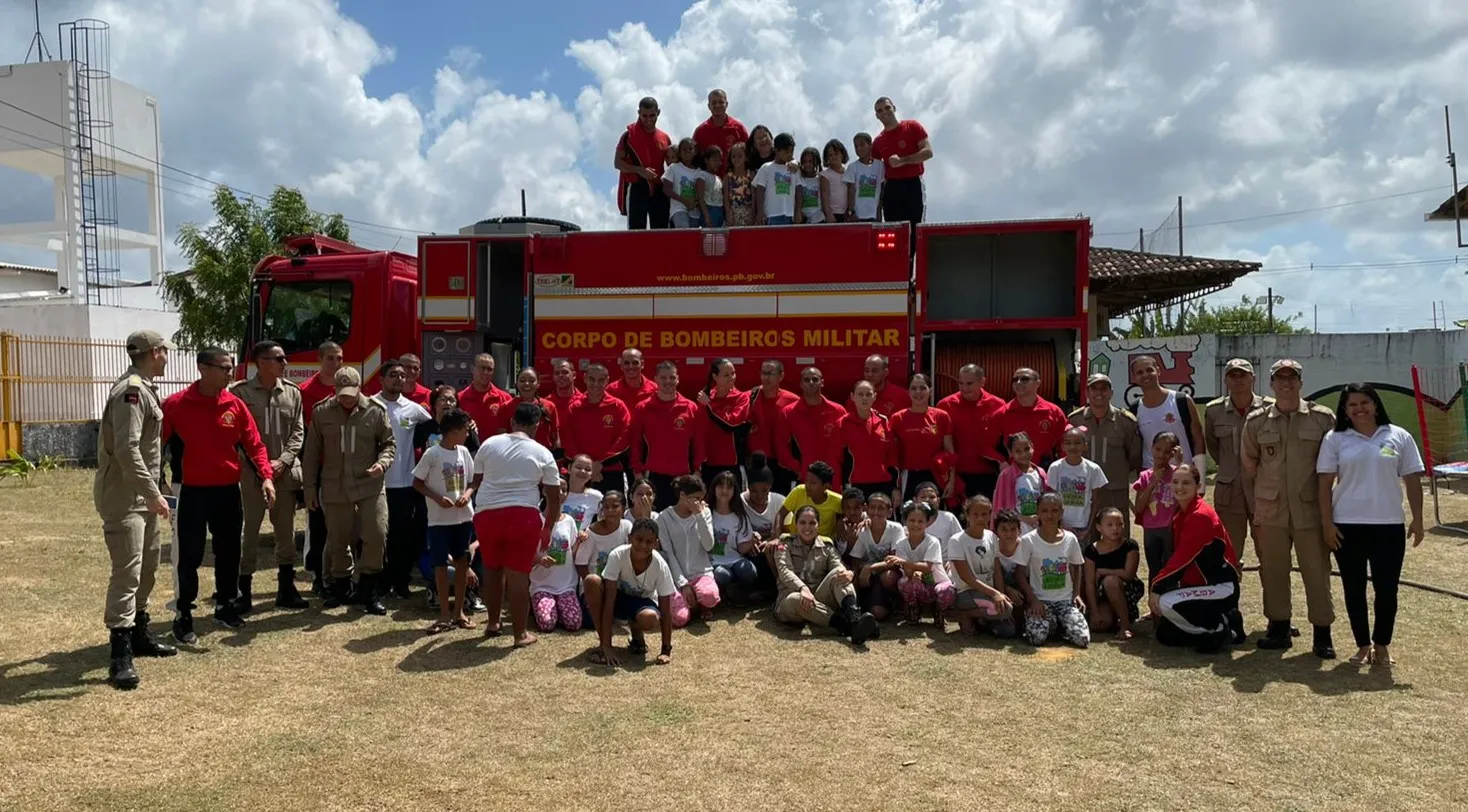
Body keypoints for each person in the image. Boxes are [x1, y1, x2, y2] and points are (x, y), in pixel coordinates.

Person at [162, 346, 275, 640]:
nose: (230, 373)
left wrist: (266, 477)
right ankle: (183, 613)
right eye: (224, 368)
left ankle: (225, 604)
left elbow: (255, 446)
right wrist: (157, 480)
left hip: (227, 491)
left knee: (228, 551)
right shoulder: (175, 405)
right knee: (189, 554)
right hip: (190, 492)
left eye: (231, 367)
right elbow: (153, 447)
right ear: (202, 368)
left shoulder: (235, 406)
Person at [1317, 383, 1426, 666]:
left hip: (1388, 525)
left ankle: (1382, 644)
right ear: (1345, 410)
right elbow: (1324, 483)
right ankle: (1363, 645)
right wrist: (1327, 524)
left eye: (1365, 402)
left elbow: (1412, 479)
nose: (1359, 409)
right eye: (1352, 405)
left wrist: (1418, 518)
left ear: (1375, 405)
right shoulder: (1335, 439)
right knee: (1354, 589)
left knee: (1386, 589)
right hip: (1346, 525)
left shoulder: (1398, 436)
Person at [96, 329, 177, 689]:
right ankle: (120, 654)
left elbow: (146, 451)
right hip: (126, 497)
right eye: (164, 351)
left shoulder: (143, 388)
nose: (166, 357)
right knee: (127, 573)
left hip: (143, 495)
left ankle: (140, 634)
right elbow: (127, 450)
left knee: (148, 566)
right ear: (154, 352)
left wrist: (156, 489)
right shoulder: (131, 392)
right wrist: (152, 493)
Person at [1242, 359, 1338, 657]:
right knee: (1273, 570)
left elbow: (1333, 461)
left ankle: (1322, 634)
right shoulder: (1257, 421)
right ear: (1271, 384)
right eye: (1280, 378)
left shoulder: (1322, 419)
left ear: (1300, 382)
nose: (1286, 383)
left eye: (1292, 378)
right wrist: (1271, 487)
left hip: (1310, 508)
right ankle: (1279, 627)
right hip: (1271, 510)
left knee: (1316, 571)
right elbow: (1250, 461)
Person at [302, 366, 395, 614]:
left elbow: (388, 444)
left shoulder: (376, 411)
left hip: (369, 484)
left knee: (376, 535)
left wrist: (382, 463)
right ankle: (341, 589)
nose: (345, 398)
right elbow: (311, 454)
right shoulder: (321, 412)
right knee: (338, 539)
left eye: (350, 393)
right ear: (334, 390)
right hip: (335, 485)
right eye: (341, 393)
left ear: (359, 389)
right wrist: (309, 489)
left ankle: (368, 590)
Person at [470, 402, 563, 647]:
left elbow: (477, 479)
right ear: (536, 425)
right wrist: (548, 527)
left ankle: (492, 623)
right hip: (523, 514)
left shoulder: (489, 444)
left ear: (512, 421)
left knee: (491, 569)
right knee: (518, 574)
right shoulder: (542, 452)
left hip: (487, 513)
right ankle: (520, 634)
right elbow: (554, 497)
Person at [229, 340, 308, 611]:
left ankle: (286, 590)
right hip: (251, 475)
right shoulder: (239, 393)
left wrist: (283, 462)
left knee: (285, 532)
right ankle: (244, 591)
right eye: (279, 359)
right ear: (261, 362)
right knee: (249, 531)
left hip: (283, 474)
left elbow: (298, 432)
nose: (285, 363)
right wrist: (261, 468)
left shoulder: (293, 393)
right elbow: (237, 436)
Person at [1150, 464, 1245, 652]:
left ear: (1198, 485)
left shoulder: (1200, 515)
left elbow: (1182, 559)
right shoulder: (1183, 512)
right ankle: (1227, 619)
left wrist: (1157, 586)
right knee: (1166, 634)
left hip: (1220, 587)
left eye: (1186, 482)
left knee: (1165, 602)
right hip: (1199, 586)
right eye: (1175, 482)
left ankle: (1219, 630)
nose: (1180, 487)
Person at [773, 505, 880, 644]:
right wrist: (802, 588)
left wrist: (848, 573)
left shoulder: (826, 544)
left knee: (839, 573)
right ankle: (848, 627)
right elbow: (784, 571)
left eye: (812, 523)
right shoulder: (785, 543)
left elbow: (837, 564)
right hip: (791, 601)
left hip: (818, 598)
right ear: (796, 524)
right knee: (797, 599)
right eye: (802, 522)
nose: (807, 527)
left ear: (818, 525)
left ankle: (854, 617)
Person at [412, 408, 477, 635]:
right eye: (465, 431)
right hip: (439, 520)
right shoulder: (432, 454)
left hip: (463, 517)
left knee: (462, 562)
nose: (468, 434)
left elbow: (473, 480)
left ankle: (459, 611)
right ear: (454, 431)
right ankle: (443, 614)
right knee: (440, 565)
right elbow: (417, 482)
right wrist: (438, 499)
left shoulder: (464, 452)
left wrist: (467, 495)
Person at [377, 359, 433, 600]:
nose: (399, 379)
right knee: (377, 535)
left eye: (402, 375)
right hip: (377, 483)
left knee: (401, 536)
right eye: (393, 375)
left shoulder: (413, 409)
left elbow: (437, 426)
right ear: (382, 379)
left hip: (404, 484)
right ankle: (379, 582)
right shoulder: (371, 405)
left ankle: (401, 582)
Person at [587, 518, 676, 666]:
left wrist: (666, 650)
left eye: (649, 542)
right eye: (639, 539)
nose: (643, 545)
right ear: (630, 538)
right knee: (592, 581)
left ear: (656, 543)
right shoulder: (617, 555)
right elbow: (609, 602)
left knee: (650, 617)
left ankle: (636, 631)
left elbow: (666, 611)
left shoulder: (660, 566)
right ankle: (603, 645)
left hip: (642, 604)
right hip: (617, 599)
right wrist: (608, 646)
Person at [1204, 359, 1268, 561]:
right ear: (1226, 380)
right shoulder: (1214, 411)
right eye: (1233, 375)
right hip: (1229, 490)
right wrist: (1229, 468)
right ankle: (1230, 592)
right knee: (1228, 550)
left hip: (1263, 488)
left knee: (1268, 550)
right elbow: (1213, 445)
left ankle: (1273, 593)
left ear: (1253, 378)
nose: (1238, 379)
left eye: (1243, 375)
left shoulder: (1269, 409)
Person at [1067, 373, 1142, 539]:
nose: (1099, 393)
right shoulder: (1075, 420)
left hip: (1114, 489)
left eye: (1104, 388)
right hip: (1083, 489)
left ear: (1111, 392)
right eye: (1094, 388)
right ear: (1087, 392)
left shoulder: (1126, 421)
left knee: (1117, 535)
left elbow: (1134, 456)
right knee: (1085, 536)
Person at [1014, 493, 1090, 648]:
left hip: (1065, 601)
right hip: (1040, 601)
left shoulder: (1070, 538)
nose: (1049, 515)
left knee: (1082, 640)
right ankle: (1050, 623)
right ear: (1038, 512)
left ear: (1061, 512)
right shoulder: (1028, 540)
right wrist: (1033, 600)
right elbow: (1019, 573)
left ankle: (1059, 623)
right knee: (1036, 638)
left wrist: (1076, 594)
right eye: (1045, 510)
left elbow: (1077, 566)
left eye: (1054, 510)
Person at [299, 341, 344, 594]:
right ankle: (317, 574)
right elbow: (306, 436)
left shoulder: (349, 389)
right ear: (319, 359)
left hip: (345, 468)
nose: (336, 364)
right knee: (318, 524)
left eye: (339, 359)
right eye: (330, 358)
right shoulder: (306, 391)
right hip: (320, 468)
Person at [630, 361, 699, 509]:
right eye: (663, 378)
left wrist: (697, 472)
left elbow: (698, 444)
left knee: (683, 523)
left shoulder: (690, 408)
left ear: (678, 379)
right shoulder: (643, 408)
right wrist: (638, 474)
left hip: (683, 477)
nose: (668, 381)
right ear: (655, 379)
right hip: (654, 477)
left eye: (672, 377)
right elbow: (636, 443)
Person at [947, 495, 1016, 637]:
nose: (980, 518)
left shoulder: (991, 536)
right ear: (967, 515)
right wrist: (995, 594)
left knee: (1009, 632)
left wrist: (1001, 594)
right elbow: (968, 578)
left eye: (984, 514)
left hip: (987, 592)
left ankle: (982, 620)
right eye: (975, 514)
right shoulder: (957, 541)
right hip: (966, 593)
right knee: (1007, 609)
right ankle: (965, 614)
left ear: (990, 515)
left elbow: (996, 569)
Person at [1131, 355, 1207, 485]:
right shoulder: (1134, 409)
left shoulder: (1182, 401)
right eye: (1139, 372)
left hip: (1183, 475)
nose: (1145, 375)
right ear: (1134, 378)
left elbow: (1198, 440)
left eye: (1149, 370)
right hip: (1153, 477)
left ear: (1158, 371)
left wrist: (1201, 481)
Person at [939, 363, 1007, 501]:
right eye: (961, 383)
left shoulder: (998, 405)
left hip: (988, 475)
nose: (964, 388)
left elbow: (1006, 440)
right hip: (957, 475)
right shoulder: (945, 405)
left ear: (982, 382)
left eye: (969, 384)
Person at [656, 475, 719, 623]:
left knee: (710, 596)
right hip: (675, 577)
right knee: (680, 619)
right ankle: (689, 602)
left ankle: (702, 603)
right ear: (682, 495)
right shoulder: (664, 518)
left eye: (701, 498)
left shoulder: (705, 513)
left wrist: (699, 516)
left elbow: (709, 545)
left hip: (701, 573)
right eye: (696, 498)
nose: (700, 502)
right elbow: (669, 553)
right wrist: (683, 584)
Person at [562, 363, 632, 495]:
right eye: (592, 379)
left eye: (601, 380)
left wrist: (600, 464)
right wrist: (587, 467)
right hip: (580, 474)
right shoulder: (574, 407)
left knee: (612, 514)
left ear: (607, 380)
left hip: (610, 471)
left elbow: (624, 437)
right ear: (585, 378)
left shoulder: (617, 406)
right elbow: (567, 438)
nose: (596, 384)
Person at [777, 366, 847, 490]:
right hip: (807, 479)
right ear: (801, 384)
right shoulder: (788, 413)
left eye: (815, 379)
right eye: (806, 380)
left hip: (834, 480)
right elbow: (782, 448)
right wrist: (799, 468)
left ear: (822, 383)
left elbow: (847, 446)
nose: (811, 383)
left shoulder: (838, 411)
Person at [984, 367, 1069, 468]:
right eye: (1015, 380)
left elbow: (1065, 442)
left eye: (1024, 379)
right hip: (1015, 476)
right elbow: (985, 445)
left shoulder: (1054, 412)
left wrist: (1062, 467)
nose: (1018, 382)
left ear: (1037, 383)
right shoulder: (1002, 414)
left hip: (1046, 474)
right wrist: (1002, 461)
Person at [871, 96, 933, 228]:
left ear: (894, 108)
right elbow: (873, 168)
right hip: (892, 187)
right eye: (879, 110)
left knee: (916, 227)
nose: (884, 112)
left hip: (913, 183)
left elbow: (928, 152)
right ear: (876, 115)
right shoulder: (878, 142)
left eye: (887, 107)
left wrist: (903, 161)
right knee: (892, 228)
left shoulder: (912, 126)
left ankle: (914, 249)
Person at [890, 374, 953, 502]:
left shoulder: (941, 416)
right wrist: (895, 487)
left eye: (922, 388)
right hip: (909, 475)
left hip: (935, 475)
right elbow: (892, 456)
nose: (918, 392)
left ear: (930, 390)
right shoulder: (897, 419)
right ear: (908, 392)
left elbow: (950, 453)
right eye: (913, 388)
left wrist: (951, 481)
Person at [892, 500, 955, 627]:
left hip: (937, 582)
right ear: (905, 521)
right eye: (912, 520)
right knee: (905, 583)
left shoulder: (933, 542)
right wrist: (913, 573)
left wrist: (904, 562)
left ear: (928, 523)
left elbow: (927, 567)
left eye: (920, 521)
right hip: (918, 584)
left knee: (947, 589)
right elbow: (907, 571)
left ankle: (939, 610)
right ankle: (914, 609)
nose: (916, 524)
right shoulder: (901, 544)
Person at [1083, 508, 1143, 640]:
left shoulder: (1130, 545)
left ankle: (1125, 625)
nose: (1115, 528)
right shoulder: (1092, 550)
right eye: (1109, 525)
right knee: (1100, 625)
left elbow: (1128, 574)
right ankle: (1112, 615)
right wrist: (1094, 611)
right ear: (1099, 527)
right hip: (1103, 595)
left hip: (1127, 589)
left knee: (1110, 581)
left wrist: (1104, 571)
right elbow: (1089, 583)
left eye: (1119, 524)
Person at [615, 95, 672, 230]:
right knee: (636, 231)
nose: (648, 120)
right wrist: (640, 170)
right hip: (637, 186)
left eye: (652, 115)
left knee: (661, 231)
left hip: (659, 188)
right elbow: (617, 163)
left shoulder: (664, 138)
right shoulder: (629, 136)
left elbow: (672, 164)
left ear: (658, 113)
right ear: (639, 114)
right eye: (644, 116)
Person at [528, 492, 583, 633]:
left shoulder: (569, 520)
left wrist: (580, 541)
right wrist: (539, 559)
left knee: (573, 623)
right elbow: (526, 554)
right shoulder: (535, 520)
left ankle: (559, 608)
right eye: (556, 488)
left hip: (566, 586)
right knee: (547, 624)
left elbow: (572, 550)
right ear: (546, 491)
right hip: (542, 585)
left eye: (564, 489)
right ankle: (539, 606)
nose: (560, 492)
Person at [1133, 431, 1182, 586]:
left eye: (1167, 452)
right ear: (1152, 448)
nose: (1161, 455)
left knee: (1172, 567)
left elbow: (1186, 500)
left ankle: (1171, 605)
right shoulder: (1145, 476)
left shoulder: (1178, 473)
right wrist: (1152, 483)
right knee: (1154, 569)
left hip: (1170, 528)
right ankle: (1155, 605)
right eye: (1158, 449)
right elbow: (1139, 507)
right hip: (1151, 529)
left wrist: (1180, 464)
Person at [694, 357, 751, 488]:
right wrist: (697, 464)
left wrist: (709, 405)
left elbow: (730, 424)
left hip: (731, 464)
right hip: (708, 464)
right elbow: (699, 432)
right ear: (715, 376)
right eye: (726, 375)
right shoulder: (706, 398)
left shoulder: (741, 398)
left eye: (733, 373)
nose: (732, 377)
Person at [1047, 425, 1108, 543]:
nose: (1072, 447)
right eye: (1068, 443)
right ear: (1063, 446)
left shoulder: (1093, 469)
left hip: (1083, 526)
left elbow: (1096, 501)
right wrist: (1059, 523)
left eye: (1077, 443)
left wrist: (1089, 528)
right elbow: (1051, 500)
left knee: (1081, 559)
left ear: (1085, 445)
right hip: (1060, 525)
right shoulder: (1055, 467)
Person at [747, 360, 800, 493]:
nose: (766, 377)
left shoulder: (792, 400)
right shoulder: (750, 398)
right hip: (757, 462)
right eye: (763, 373)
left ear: (781, 376)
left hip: (782, 463)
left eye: (770, 373)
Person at [708, 471, 759, 603]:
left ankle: (738, 589)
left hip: (735, 559)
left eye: (729, 487)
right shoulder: (705, 513)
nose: (724, 490)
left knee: (749, 571)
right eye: (721, 486)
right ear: (714, 488)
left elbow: (741, 549)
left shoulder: (740, 516)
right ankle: (723, 591)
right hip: (713, 561)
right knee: (722, 575)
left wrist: (752, 542)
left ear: (734, 491)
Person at [851, 492, 904, 621]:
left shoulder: (895, 529)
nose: (876, 512)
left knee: (887, 577)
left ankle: (898, 603)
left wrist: (870, 568)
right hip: (870, 578)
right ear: (866, 509)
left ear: (889, 512)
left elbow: (895, 560)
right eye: (872, 507)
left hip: (890, 574)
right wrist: (855, 576)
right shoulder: (864, 531)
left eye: (881, 508)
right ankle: (855, 607)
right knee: (877, 613)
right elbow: (855, 560)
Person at [841, 380, 897, 500]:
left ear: (874, 396)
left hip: (883, 484)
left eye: (868, 394)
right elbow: (835, 458)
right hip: (855, 484)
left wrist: (896, 487)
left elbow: (892, 456)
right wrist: (838, 487)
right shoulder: (843, 424)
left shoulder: (883, 421)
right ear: (852, 397)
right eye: (860, 394)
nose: (864, 398)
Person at [992, 432, 1046, 532]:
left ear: (1032, 446)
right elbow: (1000, 507)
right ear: (1011, 453)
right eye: (1018, 451)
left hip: (1039, 529)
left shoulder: (1040, 473)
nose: (1023, 454)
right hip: (1015, 530)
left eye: (1026, 449)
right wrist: (1024, 518)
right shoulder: (1006, 475)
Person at [575, 490, 632, 580]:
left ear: (623, 508)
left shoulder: (627, 526)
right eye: (606, 507)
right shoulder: (590, 532)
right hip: (596, 583)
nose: (610, 510)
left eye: (615, 506)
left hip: (619, 583)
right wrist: (593, 585)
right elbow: (580, 564)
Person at [414, 385, 482, 459]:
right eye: (443, 399)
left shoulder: (465, 428)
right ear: (434, 404)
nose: (448, 403)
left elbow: (474, 453)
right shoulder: (424, 427)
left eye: (452, 400)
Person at [778, 461, 842, 538]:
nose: (807, 486)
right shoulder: (798, 491)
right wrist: (775, 536)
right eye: (806, 481)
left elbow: (848, 515)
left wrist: (841, 521)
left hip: (822, 544)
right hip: (795, 540)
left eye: (813, 483)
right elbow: (781, 514)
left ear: (826, 486)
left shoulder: (837, 501)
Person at [457, 353, 514, 440]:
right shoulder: (460, 398)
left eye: (489, 369)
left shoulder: (505, 398)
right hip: (469, 451)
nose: (486, 372)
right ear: (473, 369)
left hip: (496, 451)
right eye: (482, 368)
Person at [503, 367, 560, 451]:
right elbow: (502, 438)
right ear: (516, 383)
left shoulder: (549, 406)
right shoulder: (506, 407)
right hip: (516, 455)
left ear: (538, 384)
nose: (527, 384)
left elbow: (556, 439)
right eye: (522, 381)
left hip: (543, 456)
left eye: (531, 380)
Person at [692, 88, 749, 167]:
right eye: (714, 103)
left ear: (727, 104)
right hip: (708, 177)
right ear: (709, 106)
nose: (717, 105)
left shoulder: (738, 128)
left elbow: (748, 153)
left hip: (733, 177)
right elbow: (694, 158)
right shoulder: (700, 131)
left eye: (721, 102)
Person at [753, 133, 798, 225]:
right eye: (786, 152)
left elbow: (799, 189)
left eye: (791, 151)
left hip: (789, 215)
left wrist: (797, 211)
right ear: (776, 150)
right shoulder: (766, 167)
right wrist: (760, 212)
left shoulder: (794, 169)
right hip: (771, 215)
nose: (790, 154)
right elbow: (759, 190)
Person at [843, 132, 885, 222]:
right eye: (856, 146)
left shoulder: (880, 165)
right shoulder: (853, 167)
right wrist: (851, 212)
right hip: (857, 216)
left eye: (862, 145)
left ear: (870, 145)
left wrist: (879, 210)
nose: (858, 148)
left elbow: (881, 190)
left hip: (873, 214)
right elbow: (851, 190)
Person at [664, 137, 702, 229]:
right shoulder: (673, 168)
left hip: (694, 212)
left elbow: (701, 191)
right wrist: (684, 201)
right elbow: (666, 189)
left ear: (695, 151)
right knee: (685, 234)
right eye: (684, 149)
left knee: (693, 239)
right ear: (679, 153)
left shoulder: (699, 172)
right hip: (679, 209)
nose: (687, 151)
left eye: (690, 149)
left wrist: (695, 203)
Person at [562, 454, 604, 530]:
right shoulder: (557, 492)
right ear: (569, 468)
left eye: (588, 469)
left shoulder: (596, 496)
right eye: (578, 467)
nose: (583, 471)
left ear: (591, 474)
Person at [723, 142, 757, 227]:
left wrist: (753, 213)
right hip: (733, 213)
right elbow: (726, 198)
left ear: (746, 158)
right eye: (733, 156)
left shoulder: (751, 174)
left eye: (740, 156)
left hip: (748, 212)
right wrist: (728, 213)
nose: (736, 159)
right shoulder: (727, 176)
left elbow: (754, 196)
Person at [819, 139, 849, 222]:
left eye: (836, 153)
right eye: (830, 155)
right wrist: (828, 214)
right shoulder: (825, 175)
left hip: (846, 214)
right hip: (833, 214)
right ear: (827, 158)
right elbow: (824, 196)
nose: (834, 157)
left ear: (842, 154)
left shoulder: (848, 173)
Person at [794, 146, 825, 224]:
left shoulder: (821, 179)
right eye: (805, 161)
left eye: (810, 161)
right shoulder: (798, 177)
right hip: (802, 219)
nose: (807, 164)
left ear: (817, 162)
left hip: (818, 219)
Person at [546, 359, 582, 424]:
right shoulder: (546, 404)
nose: (560, 375)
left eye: (565, 372)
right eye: (557, 373)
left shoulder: (584, 401)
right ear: (553, 377)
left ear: (574, 375)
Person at [696, 146, 725, 227]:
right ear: (706, 160)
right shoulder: (702, 175)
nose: (718, 163)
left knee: (718, 237)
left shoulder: (718, 178)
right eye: (715, 160)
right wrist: (706, 215)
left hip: (719, 210)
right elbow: (700, 197)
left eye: (719, 160)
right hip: (709, 210)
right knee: (708, 237)